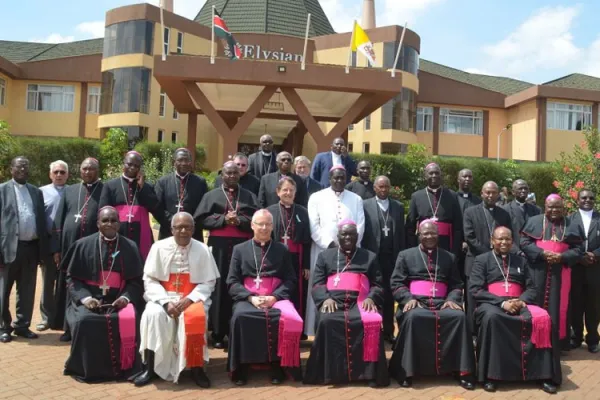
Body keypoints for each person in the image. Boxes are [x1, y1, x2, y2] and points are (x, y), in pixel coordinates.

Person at [470, 226, 558, 394]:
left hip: (519, 303)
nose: (504, 242)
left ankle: (543, 375)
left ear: (512, 241)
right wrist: (502, 303)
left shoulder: (521, 260)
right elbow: (475, 289)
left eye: (508, 239)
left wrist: (521, 301)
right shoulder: (482, 260)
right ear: (492, 241)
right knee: (492, 318)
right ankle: (492, 376)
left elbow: (532, 288)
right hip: (492, 304)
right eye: (500, 239)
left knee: (543, 319)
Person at [389, 220, 475, 389]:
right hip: (417, 301)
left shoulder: (448, 257)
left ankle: (462, 371)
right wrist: (408, 299)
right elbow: (396, 282)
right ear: (418, 235)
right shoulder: (405, 255)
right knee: (414, 317)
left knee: (459, 317)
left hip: (442, 302)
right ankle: (406, 371)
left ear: (438, 235)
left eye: (433, 233)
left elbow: (456, 284)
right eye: (425, 233)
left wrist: (451, 300)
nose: (429, 236)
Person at [135, 212, 219, 388]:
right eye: (179, 227)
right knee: (152, 315)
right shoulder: (158, 247)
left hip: (191, 299)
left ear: (193, 229)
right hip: (163, 297)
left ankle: (196, 368)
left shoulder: (202, 249)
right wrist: (165, 302)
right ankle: (150, 368)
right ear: (171, 229)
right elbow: (150, 280)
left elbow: (209, 281)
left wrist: (189, 299)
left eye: (187, 227)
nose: (183, 231)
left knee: (196, 317)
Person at [62, 206, 144, 382]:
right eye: (105, 220)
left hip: (118, 300)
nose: (109, 224)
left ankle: (126, 368)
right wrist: (85, 298)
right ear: (98, 223)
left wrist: (125, 298)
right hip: (90, 300)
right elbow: (72, 279)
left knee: (129, 318)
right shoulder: (82, 245)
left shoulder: (130, 246)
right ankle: (88, 369)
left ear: (119, 223)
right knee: (85, 320)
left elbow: (135, 281)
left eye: (113, 220)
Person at [304, 220, 388, 387]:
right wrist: (325, 299)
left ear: (357, 236)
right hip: (333, 302)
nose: (348, 237)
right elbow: (317, 283)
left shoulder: (369, 257)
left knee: (370, 322)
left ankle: (369, 374)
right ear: (338, 236)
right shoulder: (325, 256)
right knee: (327, 321)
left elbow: (378, 284)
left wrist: (372, 298)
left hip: (360, 303)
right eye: (344, 234)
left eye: (351, 234)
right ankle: (329, 374)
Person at [226, 209, 303, 385]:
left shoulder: (281, 249)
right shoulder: (240, 250)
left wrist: (275, 297)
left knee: (283, 317)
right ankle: (243, 366)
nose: (264, 227)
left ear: (272, 226)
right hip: (249, 298)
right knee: (240, 317)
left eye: (268, 224)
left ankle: (277, 364)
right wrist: (250, 297)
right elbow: (232, 281)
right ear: (252, 226)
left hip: (275, 297)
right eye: (260, 224)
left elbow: (291, 279)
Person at [194, 161, 258, 349]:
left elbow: (257, 218)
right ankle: (219, 332)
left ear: (240, 175)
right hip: (219, 248)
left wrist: (239, 221)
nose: (231, 176)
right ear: (222, 175)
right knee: (219, 286)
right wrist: (223, 219)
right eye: (228, 173)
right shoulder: (211, 196)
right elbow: (200, 220)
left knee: (241, 283)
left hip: (243, 247)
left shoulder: (249, 196)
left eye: (235, 173)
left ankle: (238, 329)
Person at [305, 165, 365, 337]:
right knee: (321, 286)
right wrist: (330, 245)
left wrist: (349, 245)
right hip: (323, 250)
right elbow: (313, 226)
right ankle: (316, 330)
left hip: (350, 253)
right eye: (335, 177)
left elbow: (360, 226)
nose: (339, 180)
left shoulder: (356, 199)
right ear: (329, 179)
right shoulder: (316, 197)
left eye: (342, 177)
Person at [520, 194, 583, 351]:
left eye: (558, 207)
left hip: (560, 271)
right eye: (551, 207)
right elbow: (524, 242)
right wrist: (542, 254)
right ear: (545, 207)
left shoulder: (571, 224)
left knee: (560, 306)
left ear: (563, 208)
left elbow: (578, 248)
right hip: (538, 270)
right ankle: (535, 340)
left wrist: (562, 256)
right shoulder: (534, 221)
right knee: (536, 302)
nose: (554, 210)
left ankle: (558, 343)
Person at [51, 158, 103, 341]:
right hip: (68, 247)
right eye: (85, 168)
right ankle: (67, 327)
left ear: (98, 171)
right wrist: (56, 249)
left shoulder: (104, 190)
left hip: (91, 250)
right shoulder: (70, 190)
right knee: (67, 286)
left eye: (91, 169)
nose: (88, 172)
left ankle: (85, 325)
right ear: (80, 170)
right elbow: (58, 220)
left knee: (87, 286)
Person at [0, 157, 48, 343]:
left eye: (26, 167)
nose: (22, 169)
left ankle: (22, 326)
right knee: (3, 290)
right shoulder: (2, 190)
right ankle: (4, 327)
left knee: (27, 290)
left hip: (31, 248)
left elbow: (42, 222)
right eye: (19, 166)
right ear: (11, 169)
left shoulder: (36, 192)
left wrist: (42, 251)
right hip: (8, 249)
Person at [463, 181, 513, 338]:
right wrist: (489, 254)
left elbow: (508, 236)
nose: (490, 195)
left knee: (493, 295)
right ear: (482, 193)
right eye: (487, 192)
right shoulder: (470, 212)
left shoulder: (503, 214)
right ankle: (473, 333)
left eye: (493, 192)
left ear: (498, 194)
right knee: (472, 298)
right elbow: (470, 237)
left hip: (498, 264)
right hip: (475, 261)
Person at [361, 175, 405, 343]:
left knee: (389, 295)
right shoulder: (365, 205)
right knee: (373, 294)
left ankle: (388, 331)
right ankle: (373, 331)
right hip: (373, 258)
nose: (384, 190)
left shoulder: (398, 207)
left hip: (392, 258)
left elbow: (401, 233)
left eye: (386, 186)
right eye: (381, 187)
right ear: (375, 188)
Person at [266, 177, 311, 329]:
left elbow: (307, 241)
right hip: (275, 258)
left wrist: (306, 265)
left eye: (291, 190)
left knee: (296, 291)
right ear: (278, 192)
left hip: (296, 258)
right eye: (285, 189)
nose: (288, 192)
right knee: (277, 289)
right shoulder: (269, 211)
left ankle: (296, 328)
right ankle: (277, 325)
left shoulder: (302, 212)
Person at [99, 151, 161, 261]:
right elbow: (102, 211)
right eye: (129, 164)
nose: (132, 168)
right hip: (117, 233)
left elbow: (154, 207)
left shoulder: (147, 187)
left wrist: (142, 187)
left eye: (136, 166)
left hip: (140, 234)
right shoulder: (110, 186)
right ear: (124, 164)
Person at [37, 160, 69, 332]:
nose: (59, 175)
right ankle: (46, 318)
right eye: (55, 172)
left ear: (67, 175)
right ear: (50, 174)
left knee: (66, 282)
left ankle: (62, 316)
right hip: (49, 243)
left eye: (62, 172)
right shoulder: (41, 192)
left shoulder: (73, 192)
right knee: (48, 282)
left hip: (68, 244)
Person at [405, 163, 463, 256]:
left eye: (437, 173)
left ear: (441, 175)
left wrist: (455, 249)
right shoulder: (416, 196)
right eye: (431, 173)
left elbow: (458, 225)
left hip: (446, 243)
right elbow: (410, 226)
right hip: (423, 242)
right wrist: (412, 247)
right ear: (425, 176)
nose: (434, 176)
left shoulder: (452, 195)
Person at [568, 189, 600, 353]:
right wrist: (580, 256)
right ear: (577, 199)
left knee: (593, 306)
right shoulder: (569, 219)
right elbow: (566, 243)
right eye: (584, 197)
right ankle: (576, 337)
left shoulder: (599, 218)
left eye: (591, 198)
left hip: (595, 269)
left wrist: (594, 254)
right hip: (576, 268)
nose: (587, 200)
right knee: (576, 304)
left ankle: (593, 339)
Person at [155, 148, 208, 242]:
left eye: (187, 160)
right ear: (174, 162)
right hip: (168, 231)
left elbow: (204, 207)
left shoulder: (200, 182)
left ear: (190, 162)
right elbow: (157, 207)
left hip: (192, 232)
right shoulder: (162, 182)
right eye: (180, 160)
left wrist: (189, 223)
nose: (184, 163)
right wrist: (173, 222)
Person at [455, 169, 482, 284]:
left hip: (473, 249)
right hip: (455, 246)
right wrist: (460, 241)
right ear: (458, 179)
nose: (467, 179)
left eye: (470, 177)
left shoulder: (478, 201)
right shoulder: (452, 199)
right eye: (464, 176)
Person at [503, 179, 541, 244]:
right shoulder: (505, 210)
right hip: (513, 249)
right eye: (520, 188)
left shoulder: (536, 210)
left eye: (525, 189)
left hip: (531, 249)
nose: (523, 191)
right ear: (513, 192)